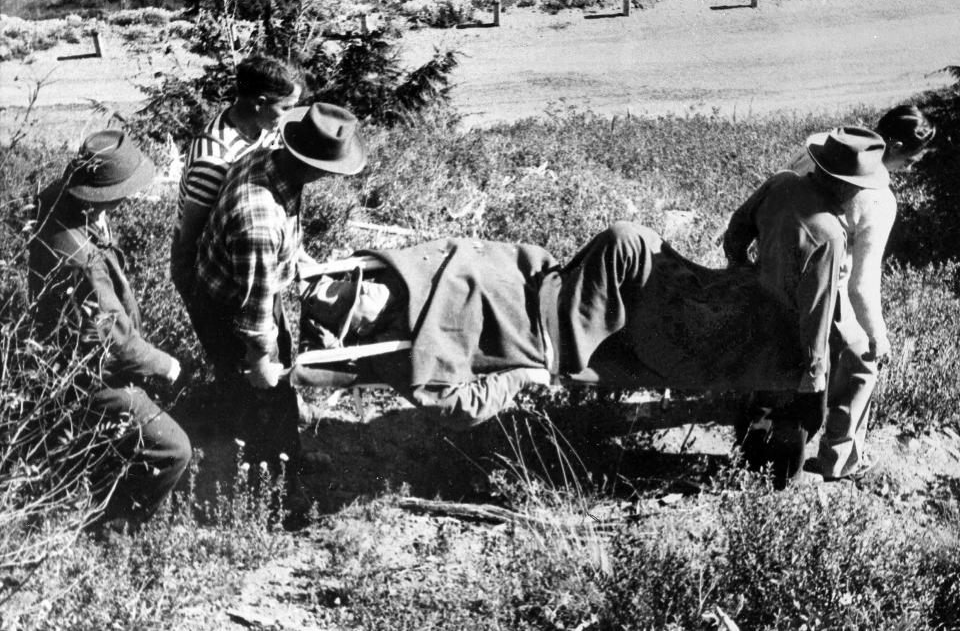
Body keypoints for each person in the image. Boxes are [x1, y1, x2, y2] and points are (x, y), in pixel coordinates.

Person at [296, 221, 808, 427]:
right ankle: (751, 333)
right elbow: (458, 406)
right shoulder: (422, 348)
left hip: (565, 282)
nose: (363, 288)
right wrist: (523, 377)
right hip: (562, 332)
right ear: (360, 327)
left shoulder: (410, 271)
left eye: (355, 282)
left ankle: (739, 304)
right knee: (675, 316)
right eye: (352, 299)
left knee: (630, 241)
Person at [189, 102, 366, 495]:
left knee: (278, 390)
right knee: (258, 396)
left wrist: (303, 261)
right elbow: (253, 313)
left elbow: (276, 252)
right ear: (318, 166)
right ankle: (270, 494)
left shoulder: (275, 163)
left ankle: (289, 457)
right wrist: (259, 360)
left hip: (256, 291)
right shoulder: (259, 217)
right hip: (230, 311)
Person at [29, 130, 192, 531]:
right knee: (174, 449)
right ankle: (114, 527)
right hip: (91, 378)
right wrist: (167, 364)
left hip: (59, 360)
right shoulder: (82, 259)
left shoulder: (60, 203)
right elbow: (116, 344)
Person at [724, 127, 891, 486]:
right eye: (860, 186)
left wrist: (742, 272)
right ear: (846, 186)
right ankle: (784, 482)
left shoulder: (780, 183)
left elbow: (736, 232)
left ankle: (747, 463)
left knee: (759, 394)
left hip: (759, 305)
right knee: (799, 412)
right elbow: (818, 309)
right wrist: (814, 372)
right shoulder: (829, 234)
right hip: (794, 326)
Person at [783, 106, 935, 480]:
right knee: (864, 361)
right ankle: (842, 461)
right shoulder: (879, 199)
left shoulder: (819, 152)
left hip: (775, 270)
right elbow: (862, 284)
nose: (911, 167)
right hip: (823, 286)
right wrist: (878, 336)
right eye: (912, 159)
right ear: (895, 146)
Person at [170, 55, 302, 308]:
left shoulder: (263, 127)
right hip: (214, 269)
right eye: (286, 108)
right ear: (259, 103)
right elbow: (189, 238)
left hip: (248, 252)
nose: (289, 116)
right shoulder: (214, 157)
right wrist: (196, 295)